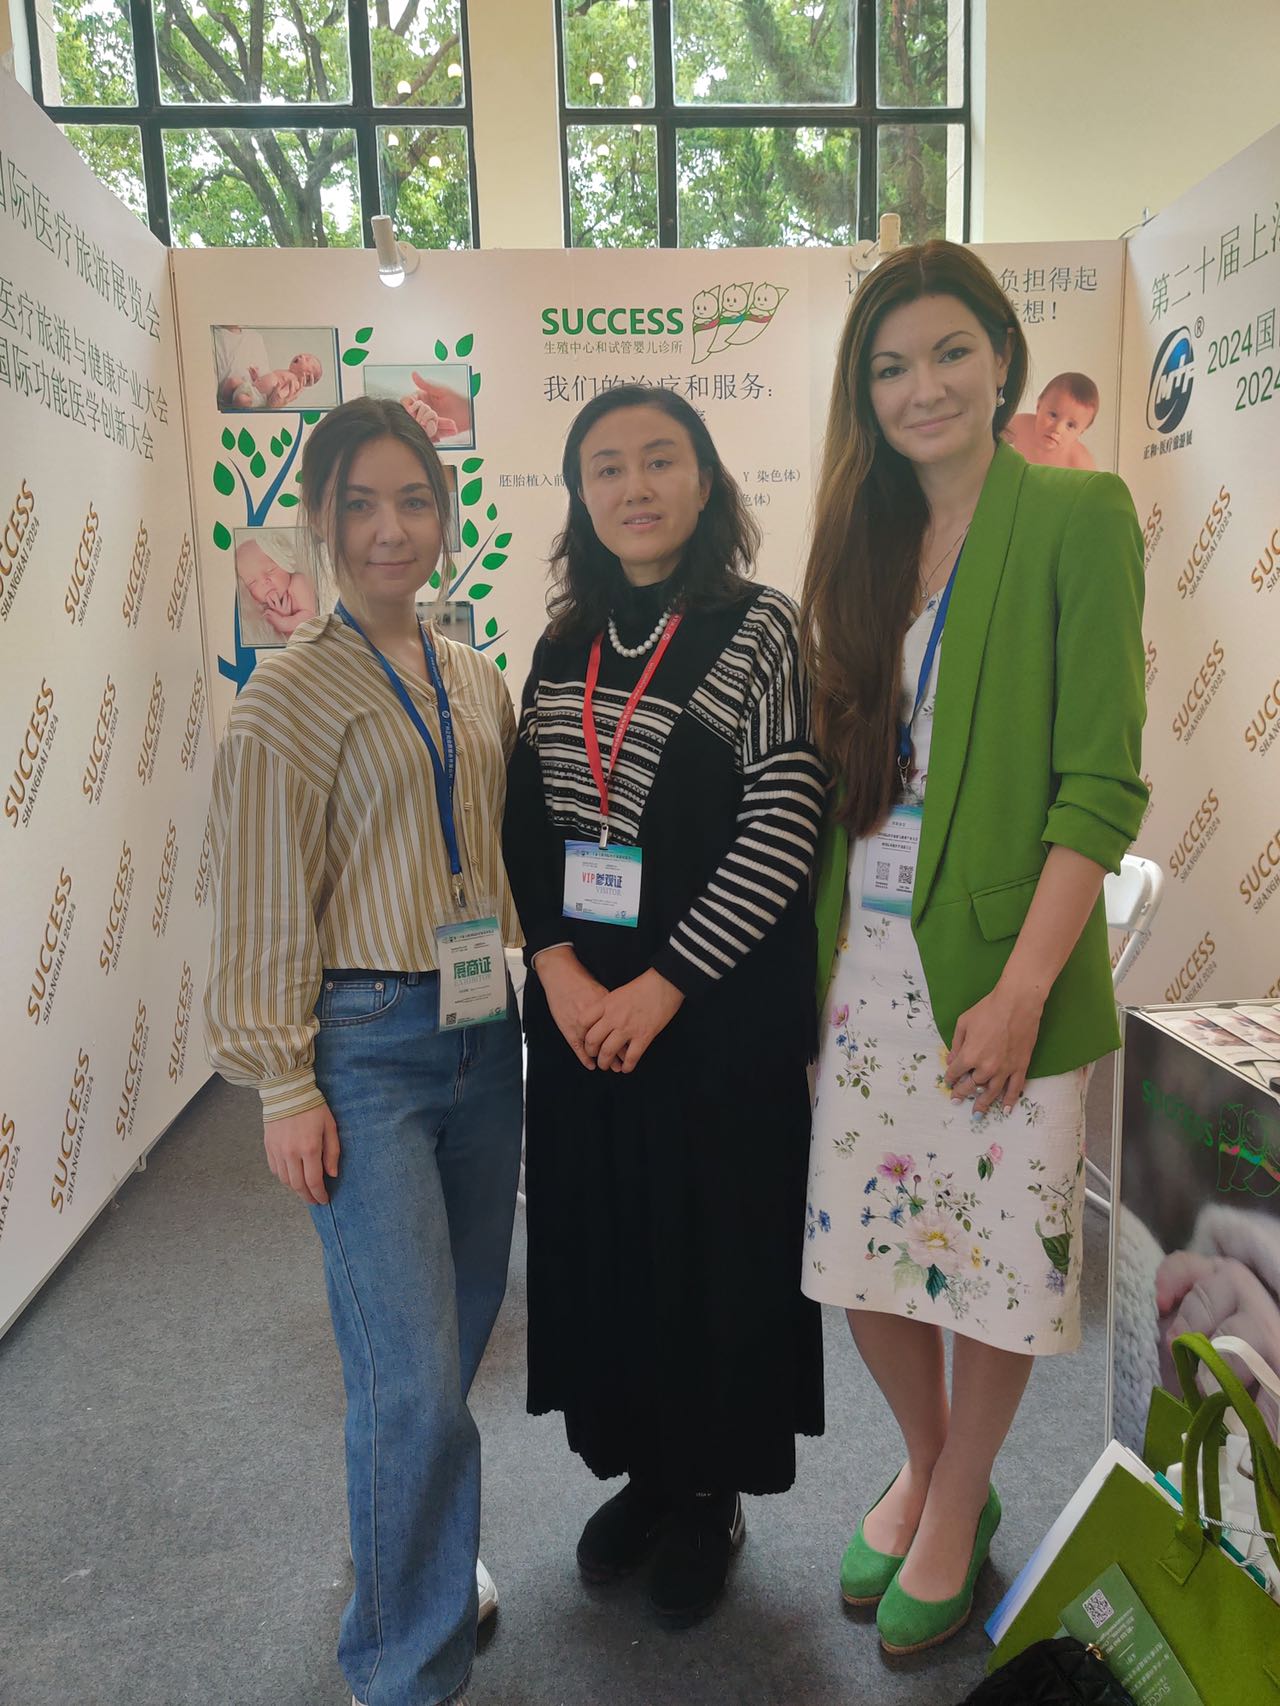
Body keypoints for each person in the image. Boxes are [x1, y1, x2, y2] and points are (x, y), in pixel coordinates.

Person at [799, 242, 1146, 1655]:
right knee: (861, 1255)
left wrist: (1021, 989)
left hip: (1007, 968)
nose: (922, 386)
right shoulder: (863, 539)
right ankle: (934, 1460)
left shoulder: (1075, 513)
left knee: (997, 1257)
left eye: (949, 351)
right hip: (864, 963)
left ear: (1002, 356)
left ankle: (954, 1499)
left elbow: (1098, 783)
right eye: (889, 367)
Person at [204, 396, 523, 1706]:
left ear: (443, 517)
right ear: (322, 523)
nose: (391, 528)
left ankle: (416, 1557)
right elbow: (262, 898)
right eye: (361, 503)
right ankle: (401, 1668)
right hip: (366, 1047)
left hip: (483, 1036)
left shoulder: (473, 675)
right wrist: (284, 1082)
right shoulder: (285, 696)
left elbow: (496, 852)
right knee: (410, 1375)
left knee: (448, 1343)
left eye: (414, 500)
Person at [502, 383, 825, 1626]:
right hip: (584, 1013)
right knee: (609, 1240)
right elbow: (527, 818)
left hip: (712, 1012)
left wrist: (664, 982)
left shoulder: (760, 629)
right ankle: (642, 1470)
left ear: (704, 480)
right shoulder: (560, 644)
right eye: (604, 466)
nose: (632, 485)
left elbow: (782, 823)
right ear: (579, 494)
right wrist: (558, 969)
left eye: (658, 459)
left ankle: (708, 1492)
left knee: (713, 1246)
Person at [1002, 371, 1099, 469]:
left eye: (1070, 425)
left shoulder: (1079, 461)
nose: (1057, 429)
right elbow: (995, 434)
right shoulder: (1020, 425)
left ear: (1080, 432)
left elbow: (1096, 479)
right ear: (1039, 406)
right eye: (1053, 415)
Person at [234, 533, 318, 640]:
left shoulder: (298, 582)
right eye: (252, 582)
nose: (264, 581)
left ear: (284, 563)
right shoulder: (264, 608)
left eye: (270, 570)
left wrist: (285, 622)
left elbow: (311, 616)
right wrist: (283, 616)